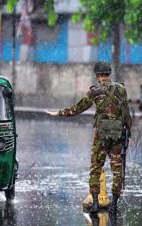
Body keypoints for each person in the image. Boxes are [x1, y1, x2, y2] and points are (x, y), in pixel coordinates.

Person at [46, 62, 132, 214]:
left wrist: (58, 113)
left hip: (101, 135)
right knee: (117, 169)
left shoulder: (95, 92)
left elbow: (77, 108)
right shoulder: (121, 89)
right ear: (109, 73)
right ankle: (115, 204)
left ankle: (96, 203)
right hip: (118, 134)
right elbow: (126, 112)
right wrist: (128, 132)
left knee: (96, 167)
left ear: (98, 75)